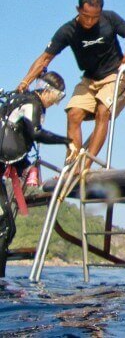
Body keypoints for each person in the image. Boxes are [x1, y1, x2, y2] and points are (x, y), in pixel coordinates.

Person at [16, 0, 125, 166]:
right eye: (86, 16)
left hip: (115, 76)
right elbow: (45, 58)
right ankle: (72, 162)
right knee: (73, 114)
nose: (90, 21)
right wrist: (24, 82)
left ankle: (85, 166)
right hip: (89, 80)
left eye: (94, 17)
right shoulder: (68, 31)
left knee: (102, 111)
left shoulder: (110, 18)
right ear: (78, 10)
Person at [0, 71, 71, 276]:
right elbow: (36, 133)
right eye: (58, 97)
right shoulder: (32, 104)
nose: (57, 103)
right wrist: (66, 141)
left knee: (6, 228)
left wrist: (26, 168)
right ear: (47, 91)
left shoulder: (20, 102)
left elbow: (13, 144)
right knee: (5, 228)